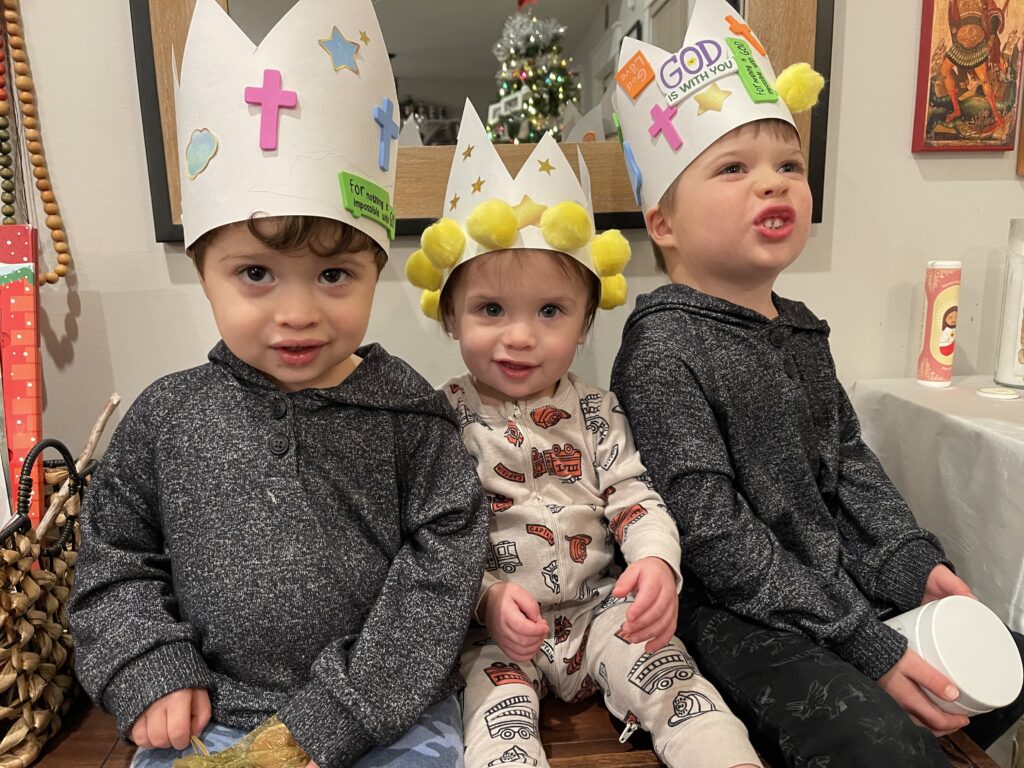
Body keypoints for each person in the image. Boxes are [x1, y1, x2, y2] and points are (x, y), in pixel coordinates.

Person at [69, 2, 486, 767]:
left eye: (334, 274)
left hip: (388, 721)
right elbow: (114, 561)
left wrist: (340, 714)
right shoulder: (166, 418)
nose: (298, 314)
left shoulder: (412, 419)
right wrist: (149, 668)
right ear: (203, 270)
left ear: (374, 271)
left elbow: (441, 576)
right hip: (210, 716)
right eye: (255, 274)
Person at [610, 1, 1024, 766]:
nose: (772, 184)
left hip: (829, 584)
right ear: (662, 222)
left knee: (1011, 666)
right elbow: (713, 535)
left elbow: (851, 466)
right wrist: (864, 642)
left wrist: (910, 563)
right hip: (736, 612)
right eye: (733, 168)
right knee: (878, 746)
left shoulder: (800, 327)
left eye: (788, 166)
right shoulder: (663, 347)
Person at [404, 100, 760, 768]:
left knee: (682, 690)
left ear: (586, 321)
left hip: (603, 612)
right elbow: (431, 540)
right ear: (450, 317)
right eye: (490, 309)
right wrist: (486, 599)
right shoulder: (439, 417)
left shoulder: (598, 409)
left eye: (550, 311)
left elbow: (636, 496)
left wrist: (657, 562)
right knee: (498, 735)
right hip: (495, 635)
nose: (519, 335)